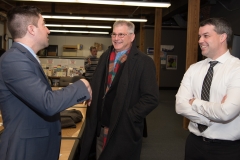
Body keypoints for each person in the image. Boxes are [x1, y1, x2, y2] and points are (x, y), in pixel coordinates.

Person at [0, 5, 92, 160]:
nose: (48, 30)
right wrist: (83, 85)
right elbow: (47, 103)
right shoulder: (14, 59)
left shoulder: (26, 58)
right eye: (43, 24)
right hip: (25, 150)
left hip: (36, 147)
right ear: (31, 29)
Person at [79, 20, 159, 160]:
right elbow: (98, 83)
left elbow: (151, 98)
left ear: (132, 36)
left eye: (121, 34)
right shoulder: (105, 56)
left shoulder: (143, 62)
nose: (116, 38)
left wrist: (130, 117)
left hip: (123, 129)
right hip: (100, 125)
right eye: (114, 34)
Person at [176, 17, 240, 160]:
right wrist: (211, 117)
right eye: (199, 36)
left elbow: (226, 113)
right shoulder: (194, 69)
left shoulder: (237, 69)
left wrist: (195, 103)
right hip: (194, 144)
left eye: (206, 35)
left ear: (223, 37)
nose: (200, 40)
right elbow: (180, 106)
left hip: (227, 150)